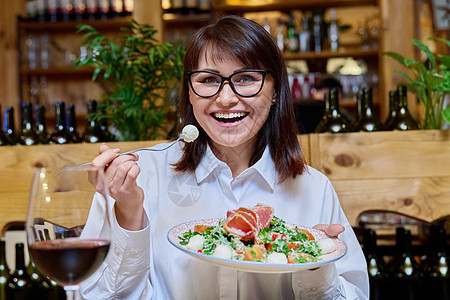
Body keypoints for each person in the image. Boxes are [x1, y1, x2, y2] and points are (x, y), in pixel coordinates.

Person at [81, 15, 369, 299]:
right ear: (190, 94)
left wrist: (314, 266)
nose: (226, 98)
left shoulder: (314, 189)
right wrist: (129, 213)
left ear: (275, 91)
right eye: (208, 79)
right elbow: (93, 296)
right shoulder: (136, 179)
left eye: (245, 78)